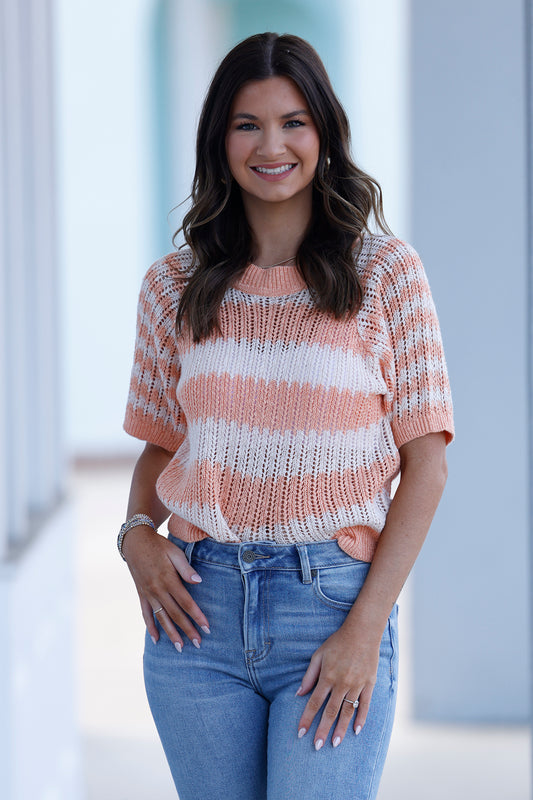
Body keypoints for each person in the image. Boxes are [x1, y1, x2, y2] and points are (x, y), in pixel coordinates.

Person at [119, 32, 454, 800]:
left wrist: (365, 628)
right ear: (219, 140)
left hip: (330, 605)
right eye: (247, 124)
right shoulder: (171, 286)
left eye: (293, 120)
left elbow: (426, 464)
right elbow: (158, 452)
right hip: (195, 618)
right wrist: (135, 537)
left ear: (324, 133)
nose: (271, 144)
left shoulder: (384, 275)